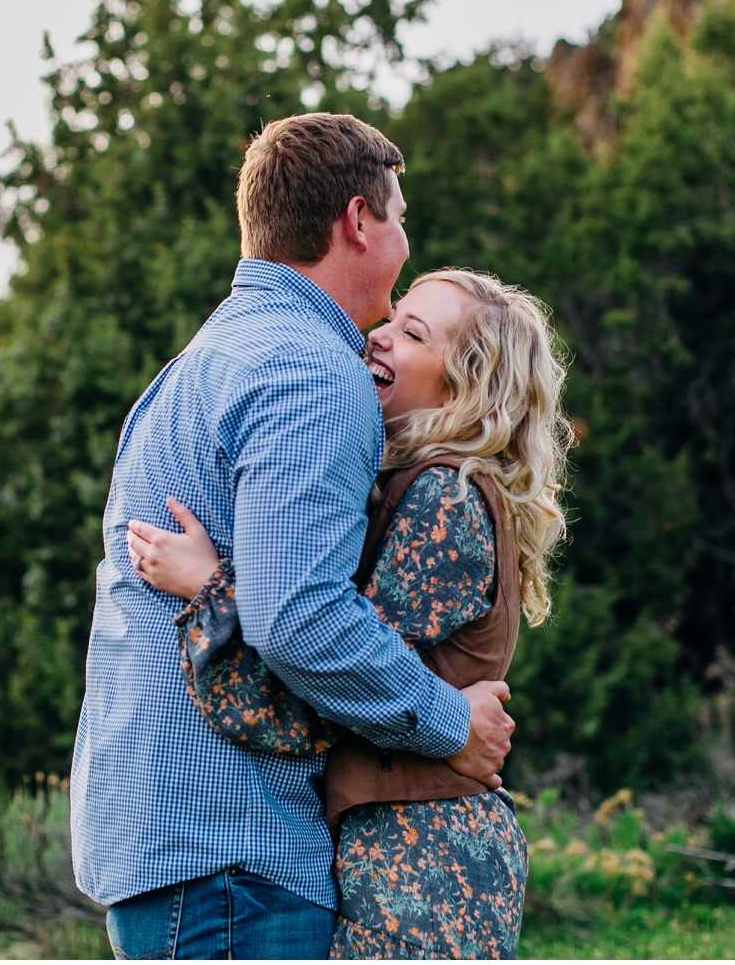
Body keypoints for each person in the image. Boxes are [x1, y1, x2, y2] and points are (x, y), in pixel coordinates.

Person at [67, 114, 517, 961]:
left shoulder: (208, 357)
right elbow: (299, 616)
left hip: (167, 836)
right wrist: (449, 720)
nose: (406, 238)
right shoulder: (314, 370)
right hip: (232, 848)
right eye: (402, 215)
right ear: (358, 220)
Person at [128, 269, 572, 958]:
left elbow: (335, 679)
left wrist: (211, 586)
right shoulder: (408, 488)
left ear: (464, 386)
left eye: (412, 333)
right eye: (392, 320)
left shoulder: (445, 501)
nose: (378, 335)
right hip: (397, 844)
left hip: (426, 861)